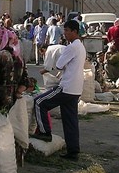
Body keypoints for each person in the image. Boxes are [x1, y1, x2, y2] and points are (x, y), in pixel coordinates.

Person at [33, 18, 85, 160]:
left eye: (67, 31)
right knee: (70, 120)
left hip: (66, 87)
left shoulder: (71, 47)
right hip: (75, 88)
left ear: (74, 31)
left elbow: (60, 65)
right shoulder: (80, 46)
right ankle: (73, 150)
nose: (65, 34)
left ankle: (45, 132)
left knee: (39, 102)